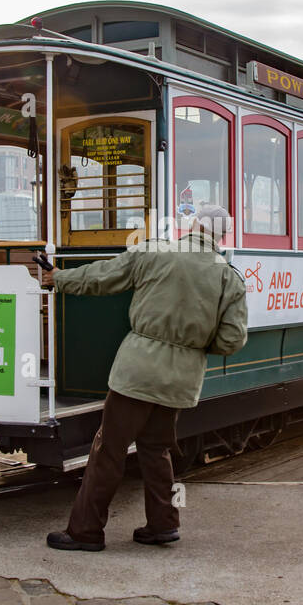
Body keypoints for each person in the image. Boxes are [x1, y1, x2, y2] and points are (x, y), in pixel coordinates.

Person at [42, 205, 248, 551]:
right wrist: (192, 344)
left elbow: (102, 277)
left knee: (109, 448)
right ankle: (163, 524)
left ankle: (85, 531)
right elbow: (232, 340)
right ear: (221, 236)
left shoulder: (155, 251)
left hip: (137, 372)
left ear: (193, 226)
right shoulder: (228, 277)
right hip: (181, 380)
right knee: (158, 448)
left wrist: (58, 279)